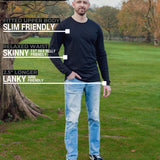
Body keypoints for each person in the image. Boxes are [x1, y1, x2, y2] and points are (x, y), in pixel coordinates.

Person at [49, 0, 111, 159]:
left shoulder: (95, 27)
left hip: (94, 80)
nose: (82, 5)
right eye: (79, 2)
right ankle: (71, 156)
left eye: (85, 2)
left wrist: (106, 81)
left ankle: (94, 154)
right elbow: (52, 52)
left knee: (94, 118)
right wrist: (68, 72)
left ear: (88, 5)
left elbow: (101, 55)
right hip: (73, 82)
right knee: (72, 121)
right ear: (73, 4)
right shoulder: (63, 26)